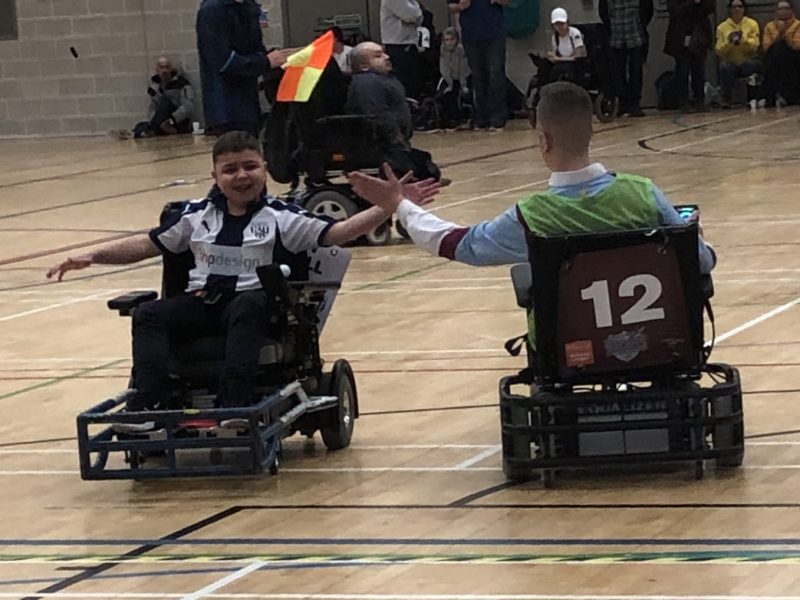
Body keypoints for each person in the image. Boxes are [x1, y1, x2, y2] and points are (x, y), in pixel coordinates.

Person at [46, 131, 439, 428]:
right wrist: (93, 255)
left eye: (250, 166)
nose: (241, 175)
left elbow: (338, 233)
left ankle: (233, 405)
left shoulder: (282, 217)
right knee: (149, 313)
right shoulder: (194, 217)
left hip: (253, 308)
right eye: (230, 169)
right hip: (203, 304)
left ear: (264, 169)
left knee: (251, 304)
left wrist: (391, 206)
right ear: (215, 175)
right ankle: (147, 405)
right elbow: (148, 244)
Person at [348, 82, 715, 277]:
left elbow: (454, 243)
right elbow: (701, 261)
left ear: (543, 140)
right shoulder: (644, 194)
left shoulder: (531, 216)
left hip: (566, 349)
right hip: (659, 341)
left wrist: (400, 204)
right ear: (592, 132)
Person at [346, 41, 445, 183]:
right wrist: (395, 137)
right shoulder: (366, 82)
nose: (386, 57)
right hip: (383, 145)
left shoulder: (382, 79)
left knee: (424, 163)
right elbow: (376, 114)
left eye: (384, 52)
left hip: (396, 141)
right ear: (364, 66)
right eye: (378, 56)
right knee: (420, 169)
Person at [196, 0, 293, 136]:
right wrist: (265, 62)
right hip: (226, 107)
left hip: (249, 102)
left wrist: (278, 59)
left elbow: (255, 49)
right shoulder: (212, 10)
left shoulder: (249, 7)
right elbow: (222, 62)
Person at [448, 0, 509, 131]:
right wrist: (460, 6)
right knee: (477, 76)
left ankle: (497, 117)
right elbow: (451, 5)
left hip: (494, 33)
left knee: (496, 73)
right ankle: (481, 117)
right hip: (471, 35)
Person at [599, 0, 654, 117]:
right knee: (618, 73)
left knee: (636, 71)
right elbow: (603, 13)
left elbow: (648, 10)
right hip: (615, 37)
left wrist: (642, 24)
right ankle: (622, 103)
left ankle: (634, 103)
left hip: (636, 35)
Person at [664, 0, 715, 112]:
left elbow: (711, 7)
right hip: (680, 35)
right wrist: (692, 3)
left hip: (699, 34)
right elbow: (674, 10)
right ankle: (683, 101)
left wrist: (700, 3)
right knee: (682, 70)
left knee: (699, 69)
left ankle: (699, 99)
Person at [133, 57, 196, 138]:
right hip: (160, 121)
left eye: (167, 67)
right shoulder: (154, 87)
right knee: (139, 126)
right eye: (162, 67)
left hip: (177, 122)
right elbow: (152, 108)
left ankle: (152, 130)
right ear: (157, 70)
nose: (165, 70)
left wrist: (171, 120)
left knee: (164, 102)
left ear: (171, 69)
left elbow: (188, 107)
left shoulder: (182, 84)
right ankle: (149, 130)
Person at [715, 0, 762, 109]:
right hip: (731, 62)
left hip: (748, 59)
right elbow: (718, 50)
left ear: (744, 9)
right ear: (730, 9)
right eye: (734, 7)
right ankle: (726, 100)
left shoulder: (752, 24)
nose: (737, 9)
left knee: (751, 66)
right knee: (725, 68)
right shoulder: (722, 27)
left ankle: (753, 98)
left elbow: (755, 46)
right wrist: (729, 43)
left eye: (740, 7)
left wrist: (743, 40)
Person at [380, 0, 424, 99]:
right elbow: (413, 15)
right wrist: (418, 11)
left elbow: (419, 17)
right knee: (406, 86)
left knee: (414, 83)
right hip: (399, 46)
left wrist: (417, 14)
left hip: (405, 44)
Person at [762, 0, 800, 106]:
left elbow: (797, 45)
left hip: (794, 58)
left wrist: (785, 34)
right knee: (775, 50)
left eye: (786, 8)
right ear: (776, 11)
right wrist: (779, 33)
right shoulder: (769, 26)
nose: (783, 11)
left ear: (791, 11)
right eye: (780, 9)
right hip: (774, 59)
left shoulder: (798, 25)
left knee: (782, 49)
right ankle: (774, 96)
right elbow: (766, 47)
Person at [543, 8, 587, 84]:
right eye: (557, 24)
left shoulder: (574, 33)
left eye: (562, 23)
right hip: (562, 64)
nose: (560, 27)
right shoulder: (555, 37)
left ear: (567, 22)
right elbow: (556, 53)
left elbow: (579, 57)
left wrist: (559, 59)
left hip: (576, 66)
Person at [439, 27, 471, 129]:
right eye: (446, 40)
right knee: (446, 93)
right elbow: (444, 68)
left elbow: (464, 68)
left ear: (457, 39)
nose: (449, 43)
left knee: (462, 93)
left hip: (462, 78)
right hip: (449, 79)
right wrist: (449, 83)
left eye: (452, 39)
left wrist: (463, 84)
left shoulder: (461, 50)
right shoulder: (442, 51)